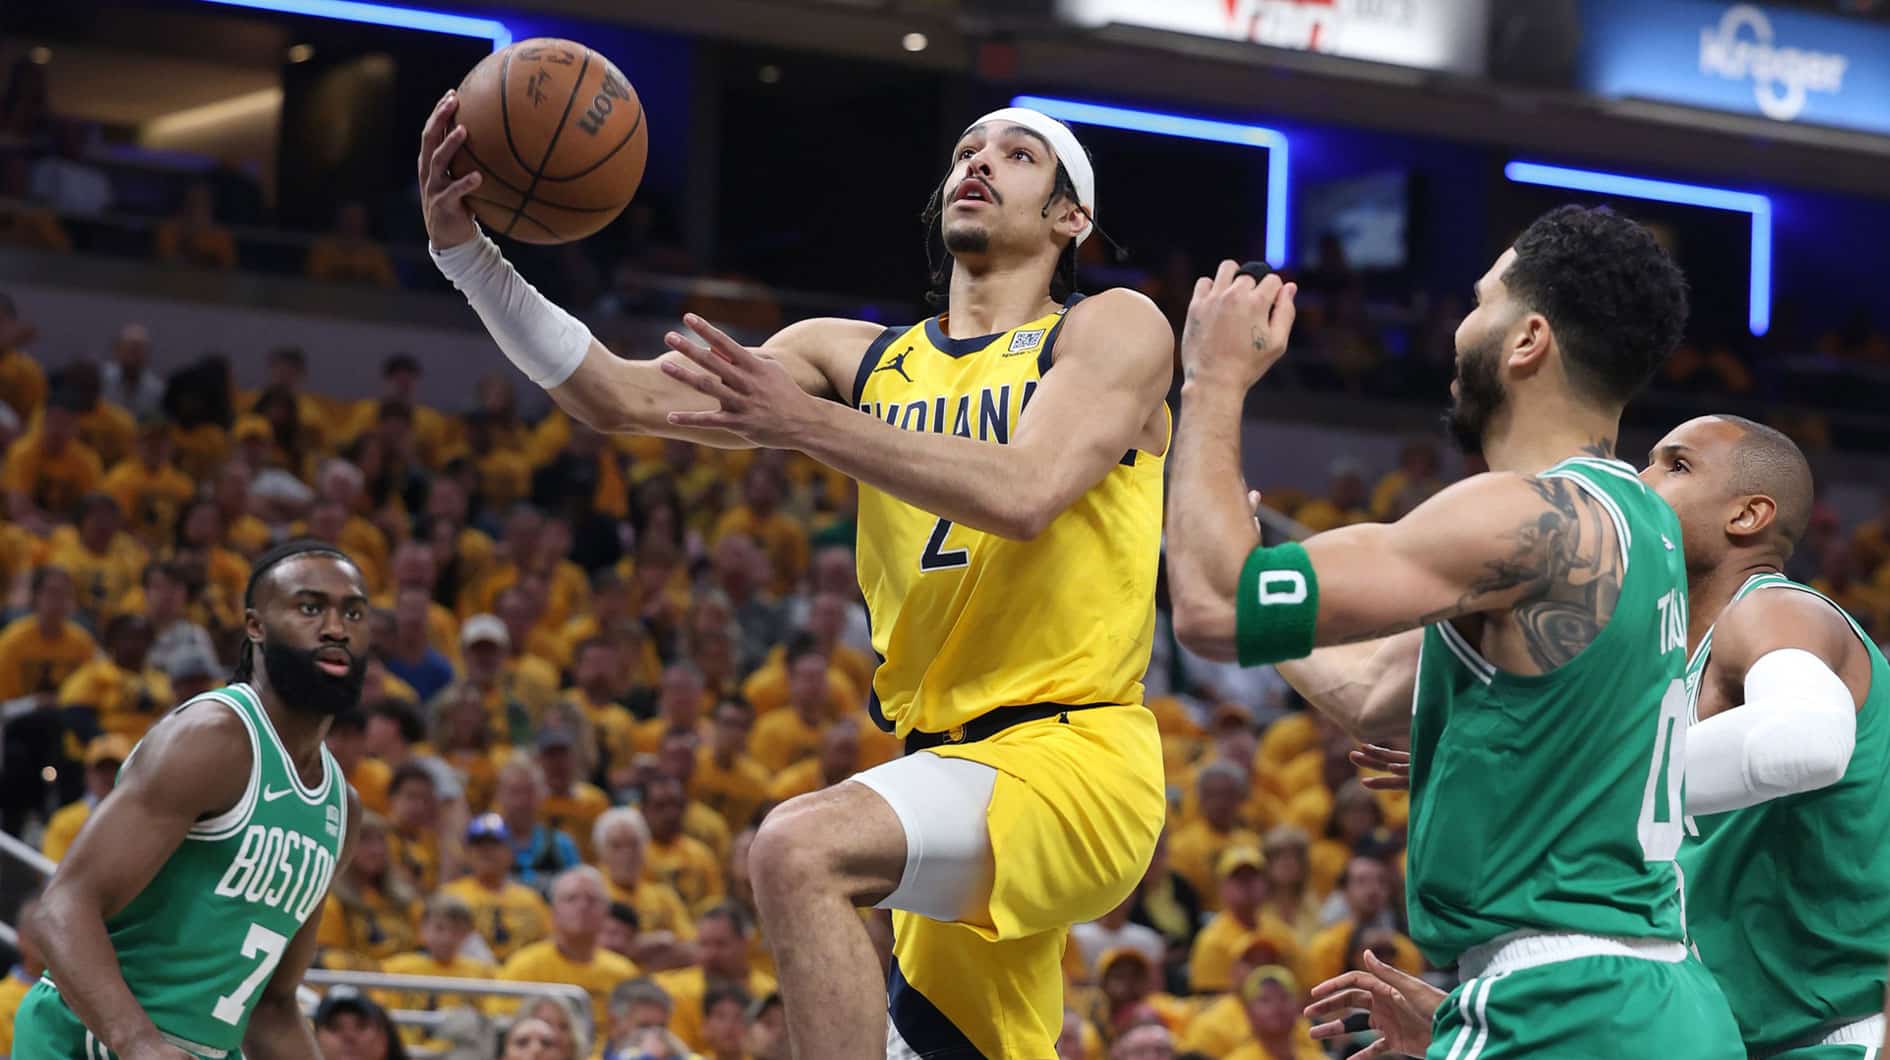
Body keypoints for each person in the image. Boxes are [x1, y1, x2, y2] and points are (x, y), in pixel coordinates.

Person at [423, 95, 1172, 1057]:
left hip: (1077, 762)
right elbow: (619, 395)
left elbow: (1027, 491)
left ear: (1071, 217)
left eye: (1019, 156)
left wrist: (806, 422)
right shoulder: (854, 357)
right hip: (942, 771)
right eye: (965, 151)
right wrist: (467, 257)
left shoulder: (1112, 326)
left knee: (796, 847)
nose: (979, 164)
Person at [1163, 209, 1741, 1056]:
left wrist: (1212, 383)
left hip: (1563, 1006)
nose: (1458, 327)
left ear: (1527, 340)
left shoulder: (1523, 515)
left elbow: (1213, 609)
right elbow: (1373, 696)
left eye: (1480, 304)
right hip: (1651, 998)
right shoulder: (1643, 524)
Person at [16, 539, 366, 1059]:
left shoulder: (342, 809)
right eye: (310, 607)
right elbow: (61, 906)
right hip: (90, 1037)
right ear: (255, 626)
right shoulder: (214, 737)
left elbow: (273, 1007)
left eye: (353, 612)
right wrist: (138, 1044)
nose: (336, 627)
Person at [499, 866, 639, 1034]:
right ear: (553, 911)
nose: (583, 906)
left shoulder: (624, 973)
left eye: (592, 899)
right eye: (571, 898)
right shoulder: (524, 966)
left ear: (605, 913)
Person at [442, 813, 551, 963]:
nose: (486, 851)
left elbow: (547, 944)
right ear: (467, 853)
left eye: (494, 844)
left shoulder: (531, 900)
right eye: (479, 845)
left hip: (520, 980)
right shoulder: (449, 895)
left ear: (510, 852)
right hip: (469, 980)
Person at [40, 734, 132, 862]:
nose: (108, 776)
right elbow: (51, 872)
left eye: (115, 768)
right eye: (101, 768)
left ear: (130, 772)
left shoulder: (143, 818)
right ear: (88, 774)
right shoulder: (65, 822)